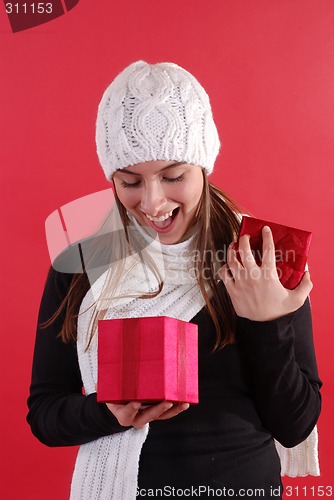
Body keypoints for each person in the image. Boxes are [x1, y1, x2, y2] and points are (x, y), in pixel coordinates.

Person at [27, 61, 322, 500]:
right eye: (129, 181)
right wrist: (107, 414)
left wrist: (266, 322)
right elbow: (46, 413)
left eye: (172, 176)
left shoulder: (257, 255)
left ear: (203, 166)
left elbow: (294, 424)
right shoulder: (82, 267)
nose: (152, 201)